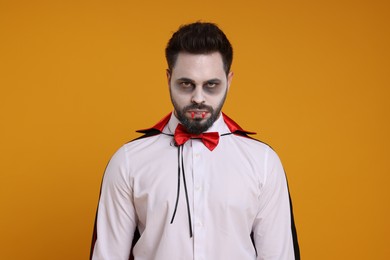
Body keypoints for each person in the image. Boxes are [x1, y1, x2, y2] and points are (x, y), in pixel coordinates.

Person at [90, 22, 300, 260]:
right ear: (169, 79)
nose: (198, 98)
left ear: (229, 81)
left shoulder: (263, 162)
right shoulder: (128, 162)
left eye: (211, 85)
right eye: (186, 84)